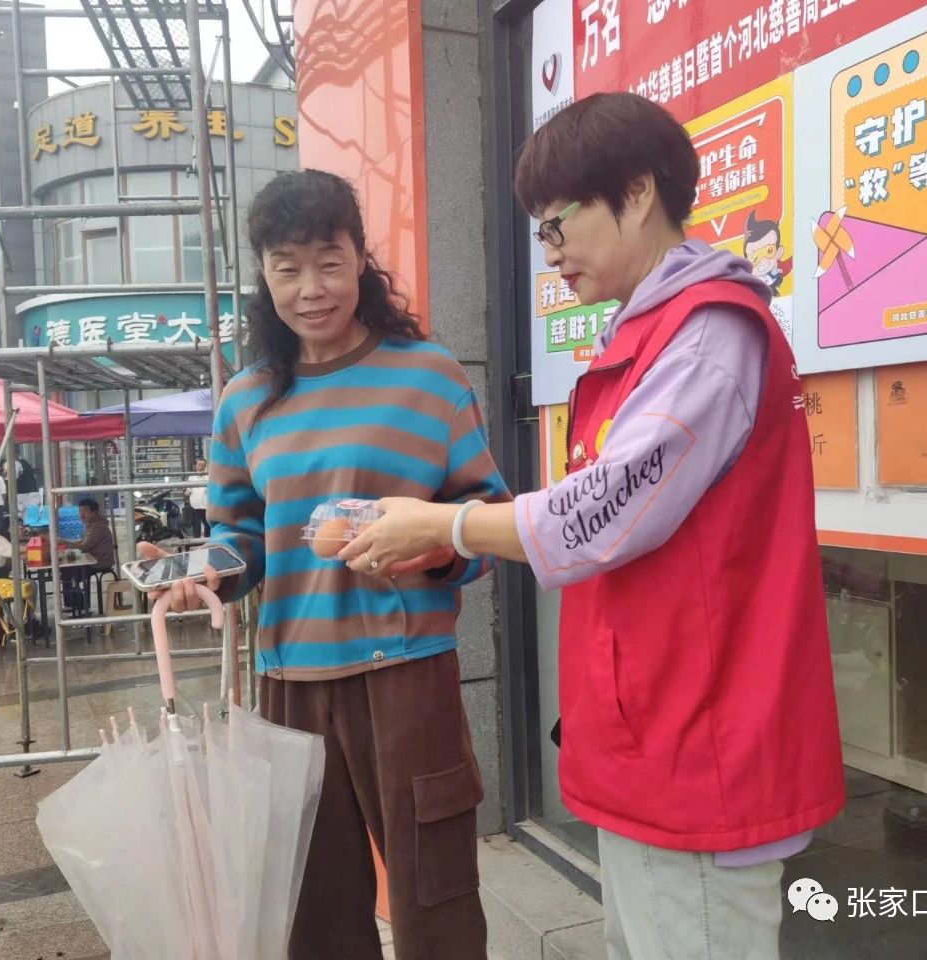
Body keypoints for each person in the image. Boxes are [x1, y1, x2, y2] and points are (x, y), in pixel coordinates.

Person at [338, 92, 845, 960]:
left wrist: (446, 525)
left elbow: (600, 513)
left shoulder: (707, 337)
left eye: (557, 225)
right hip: (658, 733)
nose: (550, 253)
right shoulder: (652, 331)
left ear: (637, 192)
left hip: (699, 748)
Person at [143, 169, 510, 960]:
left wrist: (430, 547)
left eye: (329, 263)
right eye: (288, 268)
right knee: (313, 911)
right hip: (290, 683)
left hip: (408, 675)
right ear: (264, 276)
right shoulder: (246, 401)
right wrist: (203, 572)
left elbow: (486, 520)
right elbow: (239, 537)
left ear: (360, 260)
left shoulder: (430, 377)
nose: (311, 289)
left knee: (436, 897)